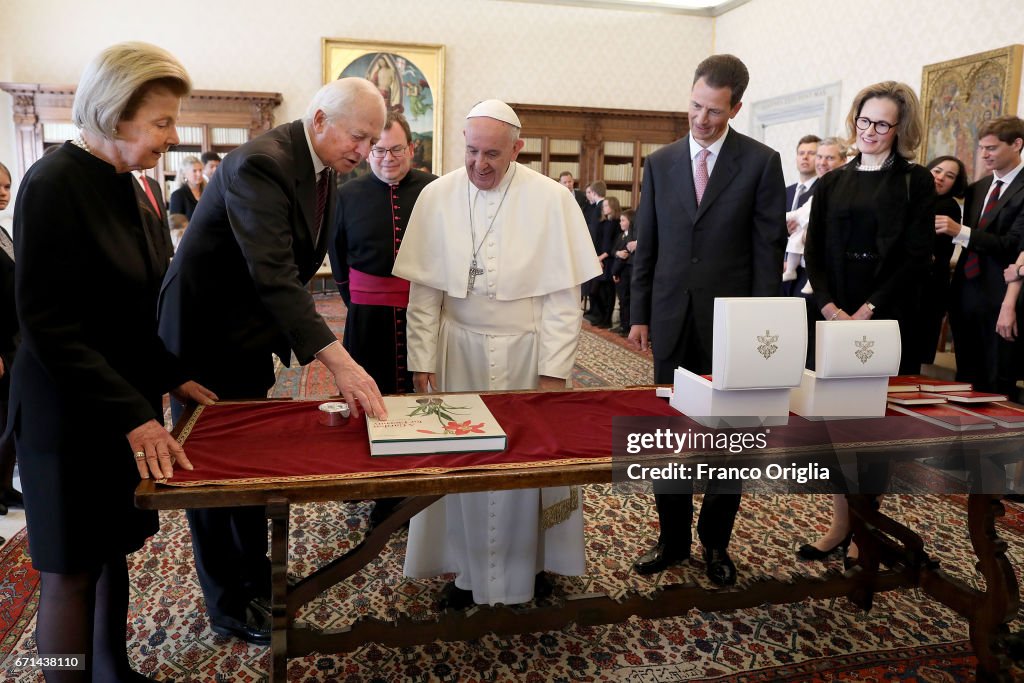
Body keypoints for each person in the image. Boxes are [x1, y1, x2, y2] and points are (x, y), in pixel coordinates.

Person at [10, 41, 217, 682]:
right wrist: (135, 414)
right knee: (70, 570)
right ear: (113, 113)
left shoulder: (132, 187)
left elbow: (129, 317)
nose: (173, 136)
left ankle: (113, 672)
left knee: (111, 553)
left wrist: (171, 375)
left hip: (119, 408)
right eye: (161, 122)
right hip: (66, 415)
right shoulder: (52, 184)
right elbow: (50, 327)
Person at [158, 77, 389, 644]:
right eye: (358, 137)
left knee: (248, 465)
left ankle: (255, 580)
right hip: (201, 340)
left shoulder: (322, 168)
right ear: (318, 120)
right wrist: (341, 362)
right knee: (210, 476)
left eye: (372, 140)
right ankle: (229, 604)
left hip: (244, 336)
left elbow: (297, 264)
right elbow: (274, 274)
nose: (364, 151)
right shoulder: (260, 163)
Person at [392, 99, 600, 609]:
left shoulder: (550, 200)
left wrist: (555, 372)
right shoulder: (438, 196)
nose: (479, 165)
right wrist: (422, 361)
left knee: (524, 464)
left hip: (527, 358)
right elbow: (424, 296)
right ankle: (465, 572)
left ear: (517, 150)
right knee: (463, 462)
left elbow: (562, 301)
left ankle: (529, 567)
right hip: (457, 350)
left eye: (492, 154)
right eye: (470, 151)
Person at [629, 54, 786, 586]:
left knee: (731, 443)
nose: (701, 119)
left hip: (734, 326)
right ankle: (671, 540)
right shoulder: (662, 161)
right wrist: (639, 313)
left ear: (736, 108)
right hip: (671, 318)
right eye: (695, 105)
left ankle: (716, 542)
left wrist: (765, 330)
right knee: (668, 440)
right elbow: (646, 244)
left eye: (714, 111)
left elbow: (768, 251)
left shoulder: (762, 163)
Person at [800, 81, 934, 566]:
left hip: (887, 312)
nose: (870, 131)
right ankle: (841, 522)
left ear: (900, 129)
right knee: (836, 425)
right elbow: (813, 249)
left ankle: (867, 526)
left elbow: (916, 256)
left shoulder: (914, 181)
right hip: (835, 312)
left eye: (881, 123)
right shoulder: (832, 180)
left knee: (873, 426)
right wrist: (830, 306)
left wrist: (869, 309)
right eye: (864, 120)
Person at [328, 110, 436, 526]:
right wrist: (357, 301)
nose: (387, 158)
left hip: (423, 314)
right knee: (370, 399)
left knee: (421, 399)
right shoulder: (347, 193)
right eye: (378, 150)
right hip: (368, 316)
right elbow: (338, 258)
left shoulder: (434, 189)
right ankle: (374, 484)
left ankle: (418, 484)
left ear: (412, 149)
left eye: (396, 149)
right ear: (368, 151)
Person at [937, 116, 1024, 396]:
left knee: (998, 380)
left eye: (992, 148)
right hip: (965, 292)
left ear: (1017, 144)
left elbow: (1012, 245)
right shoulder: (978, 188)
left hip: (1002, 295)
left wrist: (960, 231)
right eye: (981, 148)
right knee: (965, 377)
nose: (984, 154)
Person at [919, 155, 966, 366]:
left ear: (955, 184)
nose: (940, 178)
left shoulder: (948, 206)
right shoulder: (918, 198)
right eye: (937, 171)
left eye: (949, 176)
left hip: (927, 289)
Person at [0, 162, 19, 522]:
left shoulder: (3, 230)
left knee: (10, 421)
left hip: (15, 340)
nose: (4, 192)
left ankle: (4, 486)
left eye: (7, 186)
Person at [781, 134, 821, 293]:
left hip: (807, 272)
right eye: (801, 153)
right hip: (780, 271)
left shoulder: (822, 190)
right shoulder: (784, 192)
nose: (805, 157)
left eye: (811, 153)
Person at [585, 196, 621, 328]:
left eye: (606, 205)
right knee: (594, 291)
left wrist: (601, 258)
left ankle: (607, 320)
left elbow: (613, 244)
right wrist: (597, 258)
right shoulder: (603, 223)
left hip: (609, 260)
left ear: (613, 206)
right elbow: (598, 242)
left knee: (609, 292)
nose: (604, 208)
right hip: (599, 259)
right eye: (603, 206)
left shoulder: (617, 223)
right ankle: (600, 316)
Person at [134, 170, 174, 266]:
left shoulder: (154, 183)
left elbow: (163, 219)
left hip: (163, 255)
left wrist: (169, 252)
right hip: (144, 256)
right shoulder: (126, 182)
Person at [610, 208, 636, 336]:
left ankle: (626, 327)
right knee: (621, 300)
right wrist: (617, 253)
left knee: (626, 300)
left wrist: (616, 272)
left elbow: (624, 257)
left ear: (630, 222)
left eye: (623, 220)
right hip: (619, 272)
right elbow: (613, 251)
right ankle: (622, 324)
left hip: (625, 272)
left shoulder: (630, 238)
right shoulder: (621, 235)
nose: (620, 223)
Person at [168, 154, 204, 220]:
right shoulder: (177, 195)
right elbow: (176, 224)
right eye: (194, 171)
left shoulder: (207, 192)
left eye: (200, 170)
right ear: (184, 174)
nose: (199, 174)